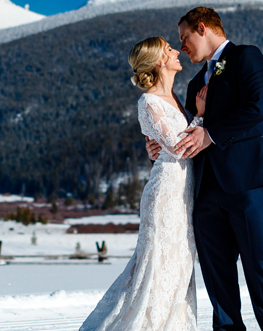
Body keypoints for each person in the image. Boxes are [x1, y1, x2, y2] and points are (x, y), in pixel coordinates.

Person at [148, 7, 263, 331]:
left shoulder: (246, 58)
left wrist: (210, 134)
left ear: (202, 28)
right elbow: (187, 134)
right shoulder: (196, 82)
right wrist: (158, 148)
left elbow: (257, 109)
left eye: (184, 38)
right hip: (205, 195)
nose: (182, 46)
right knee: (217, 278)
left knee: (258, 268)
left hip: (247, 185)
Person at [80, 36, 201, 330]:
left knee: (179, 268)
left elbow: (170, 144)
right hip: (166, 197)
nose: (177, 51)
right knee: (156, 268)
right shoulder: (148, 101)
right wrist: (202, 115)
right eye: (170, 49)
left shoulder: (177, 100)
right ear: (159, 61)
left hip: (185, 196)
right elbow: (177, 145)